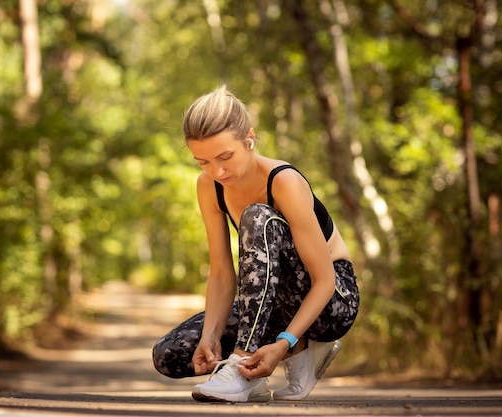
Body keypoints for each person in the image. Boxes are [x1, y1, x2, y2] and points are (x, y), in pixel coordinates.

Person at [152, 85, 359, 403]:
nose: (217, 171)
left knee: (256, 217)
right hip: (269, 303)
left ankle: (245, 360)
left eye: (225, 157)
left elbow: (325, 279)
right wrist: (210, 336)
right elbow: (222, 273)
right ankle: (259, 378)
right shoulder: (210, 186)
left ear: (249, 138)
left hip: (333, 302)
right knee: (171, 353)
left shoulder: (283, 180)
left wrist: (284, 342)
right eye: (203, 161)